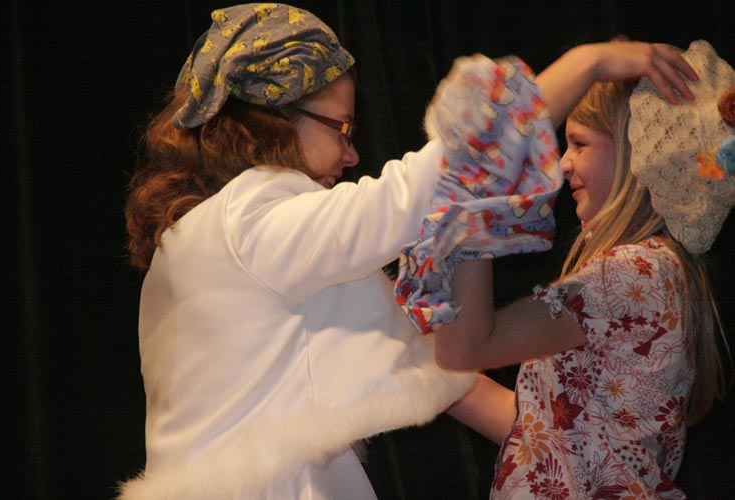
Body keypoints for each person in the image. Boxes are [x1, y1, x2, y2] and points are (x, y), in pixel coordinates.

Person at [120, 3, 701, 498]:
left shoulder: (203, 241)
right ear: (276, 119)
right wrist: (588, 62)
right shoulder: (253, 217)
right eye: (342, 128)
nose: (352, 155)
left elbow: (442, 361)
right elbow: (431, 179)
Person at [398, 40, 734, 499]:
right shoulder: (656, 271)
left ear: (638, 156)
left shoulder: (635, 272)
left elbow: (467, 347)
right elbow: (548, 432)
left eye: (580, 143)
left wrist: (479, 199)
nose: (563, 163)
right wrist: (408, 361)